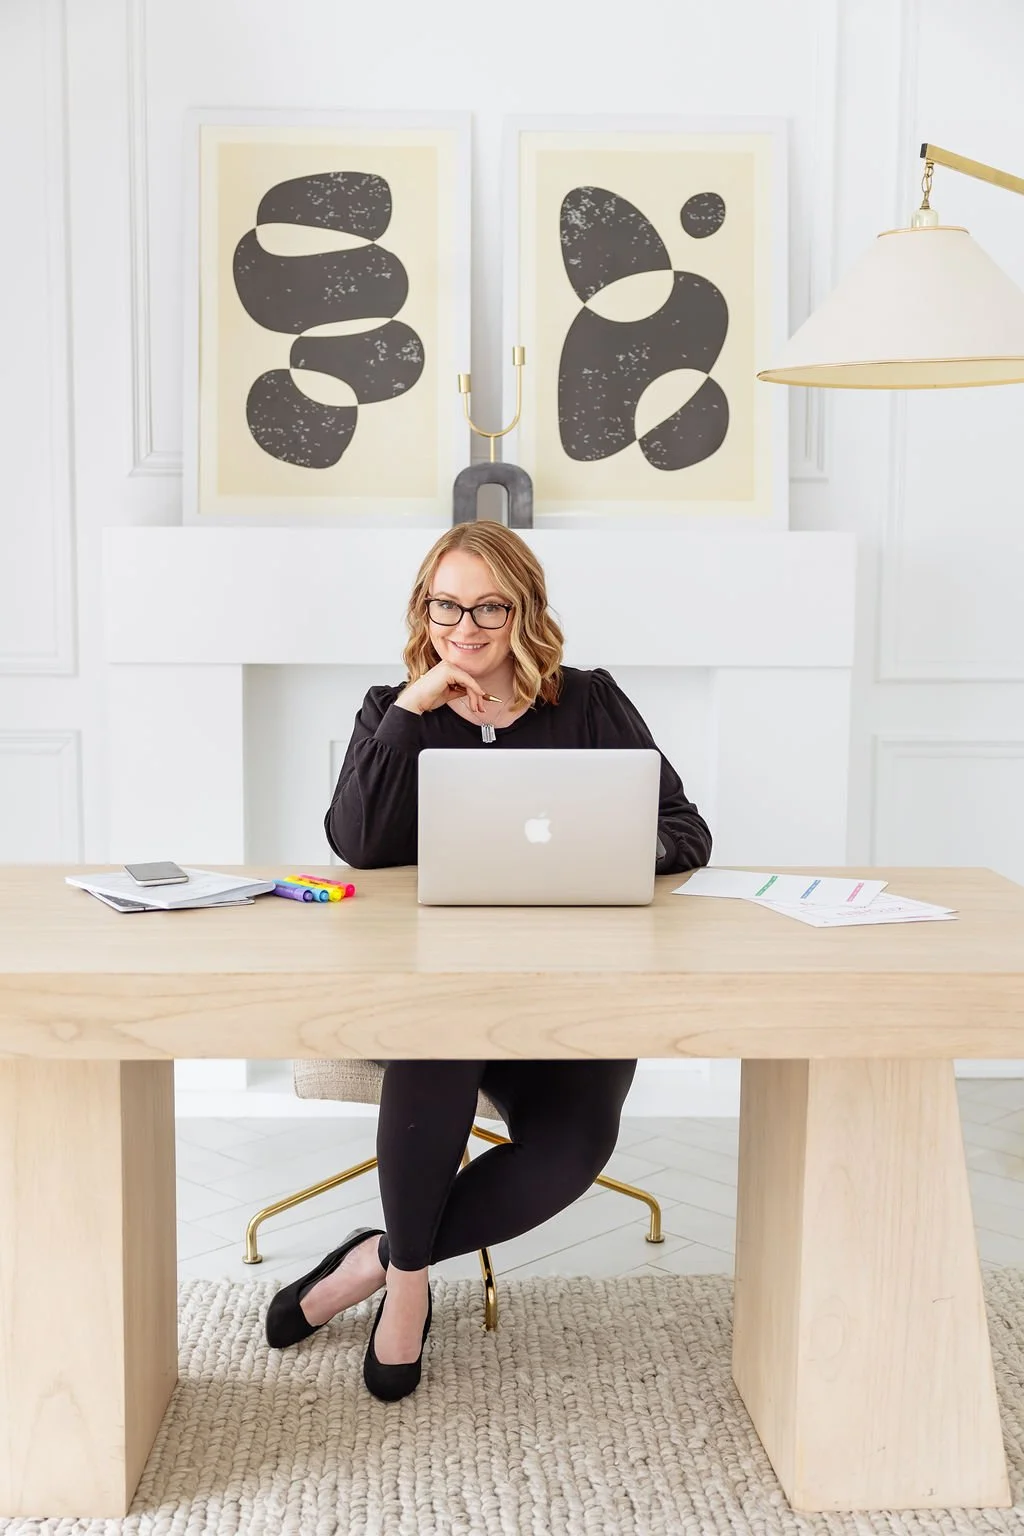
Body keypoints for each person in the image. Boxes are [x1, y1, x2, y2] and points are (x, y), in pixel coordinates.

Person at [265, 521, 712, 1400]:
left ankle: (375, 1259)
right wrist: (410, 710)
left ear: (524, 610)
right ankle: (408, 1294)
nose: (463, 627)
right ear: (422, 609)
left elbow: (687, 832)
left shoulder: (588, 702)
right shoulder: (393, 713)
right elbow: (354, 846)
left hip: (573, 995)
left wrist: (603, 853)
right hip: (443, 984)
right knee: (440, 1043)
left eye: (487, 607)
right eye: (444, 605)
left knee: (570, 1151)